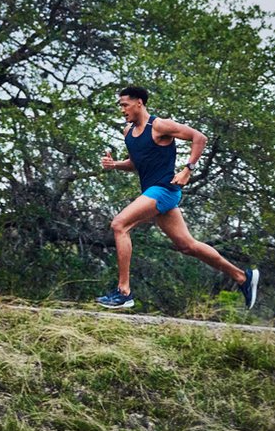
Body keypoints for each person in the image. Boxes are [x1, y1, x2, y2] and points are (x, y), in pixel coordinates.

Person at [96, 85, 258, 310]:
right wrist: (115, 165)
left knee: (119, 224)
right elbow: (136, 163)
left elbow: (199, 138)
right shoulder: (128, 133)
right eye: (120, 106)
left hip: (164, 189)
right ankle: (243, 277)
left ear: (139, 103)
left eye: (125, 105)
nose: (122, 110)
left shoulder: (159, 125)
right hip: (151, 191)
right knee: (187, 245)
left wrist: (187, 169)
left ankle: (124, 292)